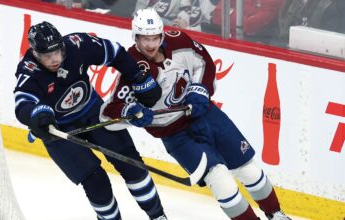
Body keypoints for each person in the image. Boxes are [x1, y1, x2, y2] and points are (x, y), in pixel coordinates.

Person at [102, 8, 292, 220]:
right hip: (175, 135)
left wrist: (199, 90)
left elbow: (204, 64)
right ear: (135, 37)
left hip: (206, 116)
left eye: (154, 37)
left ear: (161, 34)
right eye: (144, 38)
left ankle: (276, 214)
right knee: (221, 180)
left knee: (249, 171)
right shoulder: (132, 66)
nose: (150, 44)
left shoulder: (179, 41)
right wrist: (132, 112)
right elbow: (109, 114)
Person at [13, 21, 167, 220]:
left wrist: (138, 77)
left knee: (131, 163)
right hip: (58, 130)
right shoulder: (29, 70)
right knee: (96, 181)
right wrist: (37, 115)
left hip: (93, 112)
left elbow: (114, 52)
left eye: (56, 52)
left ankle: (158, 216)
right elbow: (23, 103)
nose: (53, 59)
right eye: (46, 55)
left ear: (62, 45)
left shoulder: (77, 45)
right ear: (34, 53)